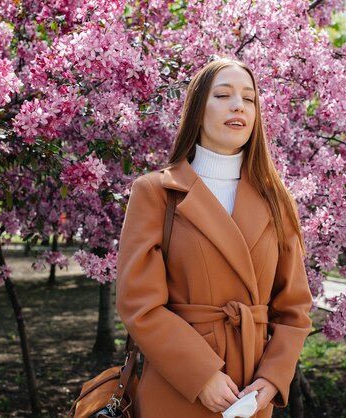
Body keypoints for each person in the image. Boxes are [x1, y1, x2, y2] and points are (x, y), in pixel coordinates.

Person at [115, 57, 313, 418]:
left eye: (249, 98)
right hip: (180, 386)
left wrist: (271, 379)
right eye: (223, 94)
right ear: (197, 110)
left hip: (250, 394)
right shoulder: (157, 192)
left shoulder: (276, 200)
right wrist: (201, 374)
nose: (239, 105)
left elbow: (294, 309)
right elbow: (139, 304)